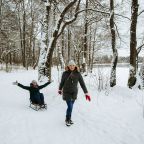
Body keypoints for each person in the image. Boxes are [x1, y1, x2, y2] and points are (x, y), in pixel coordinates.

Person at [58, 60, 91, 126]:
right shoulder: (65, 73)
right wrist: (60, 89)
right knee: (70, 106)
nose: (72, 66)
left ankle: (69, 118)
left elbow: (82, 84)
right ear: (68, 66)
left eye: (73, 65)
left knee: (71, 107)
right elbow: (62, 82)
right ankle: (67, 119)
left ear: (75, 66)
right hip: (66, 92)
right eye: (70, 65)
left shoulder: (78, 74)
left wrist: (86, 93)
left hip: (74, 93)